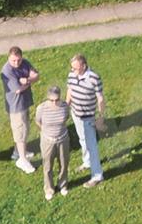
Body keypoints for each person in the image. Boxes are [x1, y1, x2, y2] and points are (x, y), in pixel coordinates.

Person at [66, 53, 105, 187]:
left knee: (92, 146)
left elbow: (100, 98)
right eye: (72, 68)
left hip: (88, 117)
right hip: (76, 114)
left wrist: (100, 117)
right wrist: (66, 107)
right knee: (82, 139)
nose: (73, 71)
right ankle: (87, 162)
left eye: (76, 68)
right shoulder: (72, 75)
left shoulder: (94, 78)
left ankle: (97, 175)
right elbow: (70, 90)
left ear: (84, 66)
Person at [1, 45, 39, 173]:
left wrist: (27, 80)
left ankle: (18, 152)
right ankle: (22, 160)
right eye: (13, 60)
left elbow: (36, 75)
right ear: (8, 58)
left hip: (24, 103)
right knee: (20, 132)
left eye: (19, 60)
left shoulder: (25, 63)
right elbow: (17, 89)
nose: (16, 63)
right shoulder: (7, 71)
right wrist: (29, 81)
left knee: (25, 128)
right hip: (16, 106)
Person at [35, 83, 71, 199]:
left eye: (57, 100)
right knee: (47, 166)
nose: (54, 103)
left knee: (64, 164)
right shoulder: (41, 108)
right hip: (47, 141)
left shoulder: (65, 106)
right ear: (47, 98)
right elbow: (38, 121)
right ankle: (49, 189)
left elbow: (66, 118)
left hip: (63, 140)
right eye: (51, 100)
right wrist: (46, 131)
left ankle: (63, 184)